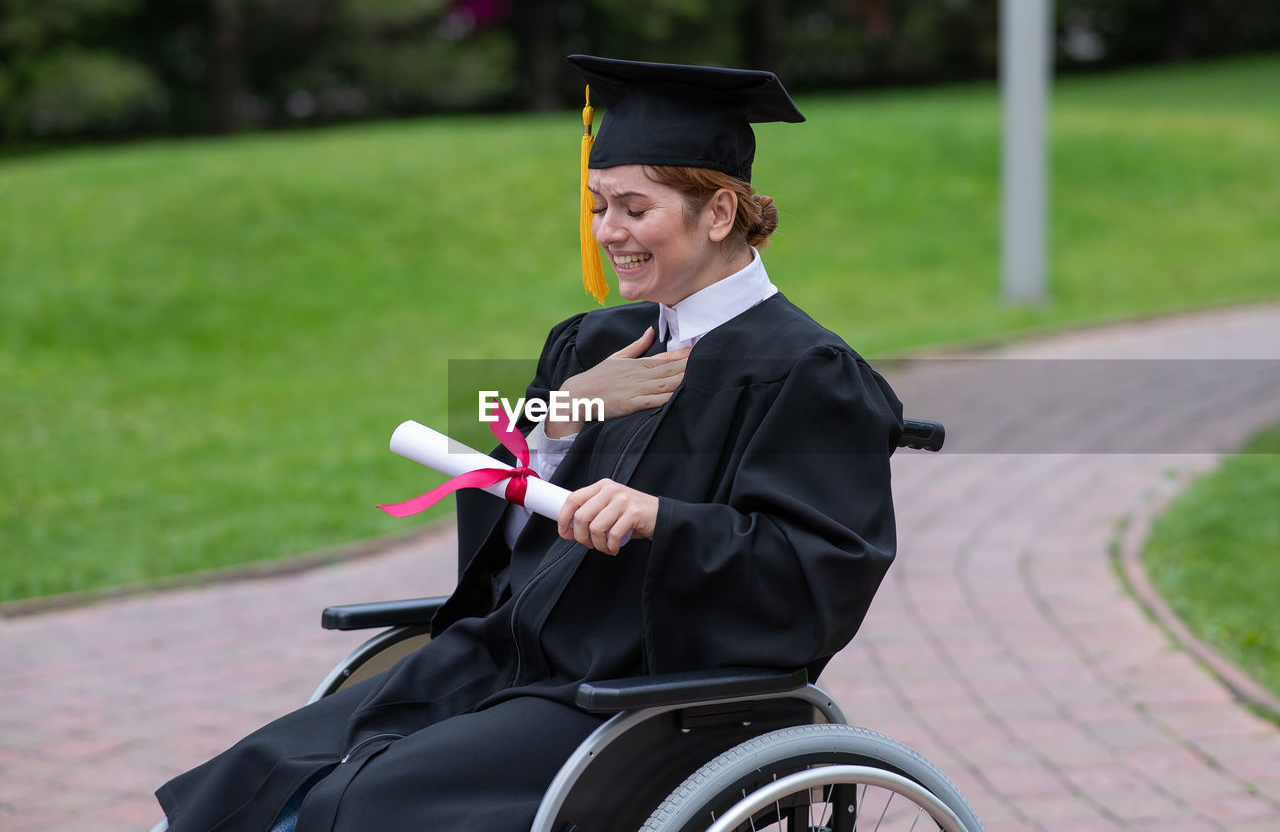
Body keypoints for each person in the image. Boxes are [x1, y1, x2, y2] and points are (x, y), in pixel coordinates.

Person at [154, 55, 903, 831]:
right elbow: (506, 543)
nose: (608, 232)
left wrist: (659, 518)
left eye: (634, 208)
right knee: (259, 776)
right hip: (506, 656)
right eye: (597, 206)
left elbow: (824, 571)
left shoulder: (808, 371)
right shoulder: (594, 342)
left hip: (640, 696)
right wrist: (560, 417)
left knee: (362, 804)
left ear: (717, 214)